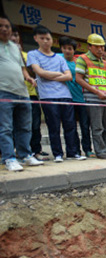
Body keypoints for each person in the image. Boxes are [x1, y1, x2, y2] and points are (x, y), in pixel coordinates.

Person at [28, 25, 84, 162]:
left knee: (70, 125)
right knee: (53, 127)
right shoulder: (33, 54)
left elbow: (69, 76)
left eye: (48, 38)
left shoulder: (59, 58)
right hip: (47, 96)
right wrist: (58, 74)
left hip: (65, 96)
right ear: (36, 39)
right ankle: (58, 154)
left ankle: (73, 152)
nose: (46, 41)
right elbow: (39, 73)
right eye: (42, 38)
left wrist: (48, 75)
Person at [0, 15, 44, 171]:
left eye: (7, 26)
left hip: (22, 92)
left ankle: (25, 155)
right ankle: (9, 158)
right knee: (5, 127)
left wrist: (28, 78)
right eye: (1, 26)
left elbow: (22, 68)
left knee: (25, 126)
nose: (4, 29)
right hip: (3, 92)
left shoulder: (15, 47)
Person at [75, 33, 106, 160]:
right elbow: (79, 79)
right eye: (96, 46)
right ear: (89, 47)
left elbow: (105, 83)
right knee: (97, 127)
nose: (100, 49)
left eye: (102, 47)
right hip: (93, 98)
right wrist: (96, 92)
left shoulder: (104, 63)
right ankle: (100, 151)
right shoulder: (83, 59)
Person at [10, 27, 46, 161]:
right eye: (11, 35)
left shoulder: (27, 55)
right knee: (10, 126)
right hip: (8, 95)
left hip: (29, 94)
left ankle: (35, 151)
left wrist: (20, 56)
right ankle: (12, 152)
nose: (14, 38)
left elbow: (33, 74)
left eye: (16, 35)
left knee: (33, 125)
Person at [59, 37, 92, 158]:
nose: (67, 51)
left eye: (70, 48)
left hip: (81, 98)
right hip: (67, 98)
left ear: (74, 50)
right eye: (65, 48)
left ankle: (88, 149)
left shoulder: (78, 61)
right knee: (70, 126)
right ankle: (74, 151)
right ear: (61, 49)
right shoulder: (58, 59)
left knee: (85, 126)